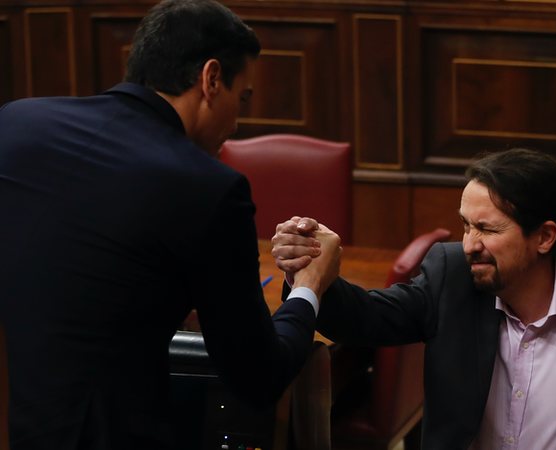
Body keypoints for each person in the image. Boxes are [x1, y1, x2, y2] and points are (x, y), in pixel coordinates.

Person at [0, 1, 339, 449]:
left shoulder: (18, 123)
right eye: (241, 99)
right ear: (211, 79)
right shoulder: (209, 187)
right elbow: (259, 376)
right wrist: (309, 288)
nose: (236, 125)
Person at [272, 148, 556, 450]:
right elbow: (365, 318)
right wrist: (310, 272)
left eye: (489, 230)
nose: (470, 245)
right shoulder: (451, 276)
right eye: (466, 226)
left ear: (545, 236)